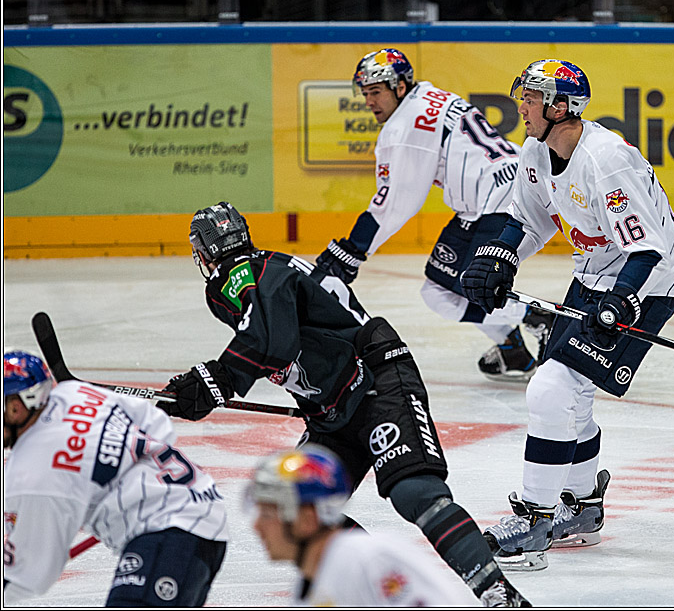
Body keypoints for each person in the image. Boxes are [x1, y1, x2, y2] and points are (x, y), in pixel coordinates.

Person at [159, 201, 529, 607]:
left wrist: (215, 381)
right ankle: (384, 592)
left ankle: (500, 596)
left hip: (378, 383)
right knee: (295, 510)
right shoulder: (256, 275)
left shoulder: (253, 274)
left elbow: (271, 344)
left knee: (415, 492)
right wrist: (211, 385)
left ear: (207, 250)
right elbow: (282, 342)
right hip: (332, 410)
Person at [459, 59, 674, 571]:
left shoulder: (605, 158)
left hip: (648, 283)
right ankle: (584, 506)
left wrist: (623, 299)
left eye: (530, 98)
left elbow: (648, 247)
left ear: (560, 106)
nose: (520, 106)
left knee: (550, 389)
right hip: (595, 275)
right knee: (573, 393)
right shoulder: (537, 151)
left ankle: (536, 518)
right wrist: (500, 256)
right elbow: (528, 218)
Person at [315, 48, 553, 383]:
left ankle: (538, 318)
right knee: (439, 291)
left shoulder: (404, 128)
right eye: (365, 93)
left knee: (471, 285)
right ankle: (512, 348)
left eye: (375, 92)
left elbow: (395, 202)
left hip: (502, 200)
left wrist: (353, 251)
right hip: (492, 195)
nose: (369, 101)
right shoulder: (428, 94)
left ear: (399, 87)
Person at [3, 350, 228, 606]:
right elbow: (157, 425)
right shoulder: (74, 394)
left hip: (171, 532)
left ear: (16, 407)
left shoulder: (31, 472)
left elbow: (30, 573)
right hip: (202, 507)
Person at [248, 443, 481, 606]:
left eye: (269, 514)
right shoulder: (306, 592)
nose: (256, 526)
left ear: (308, 519)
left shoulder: (368, 557)